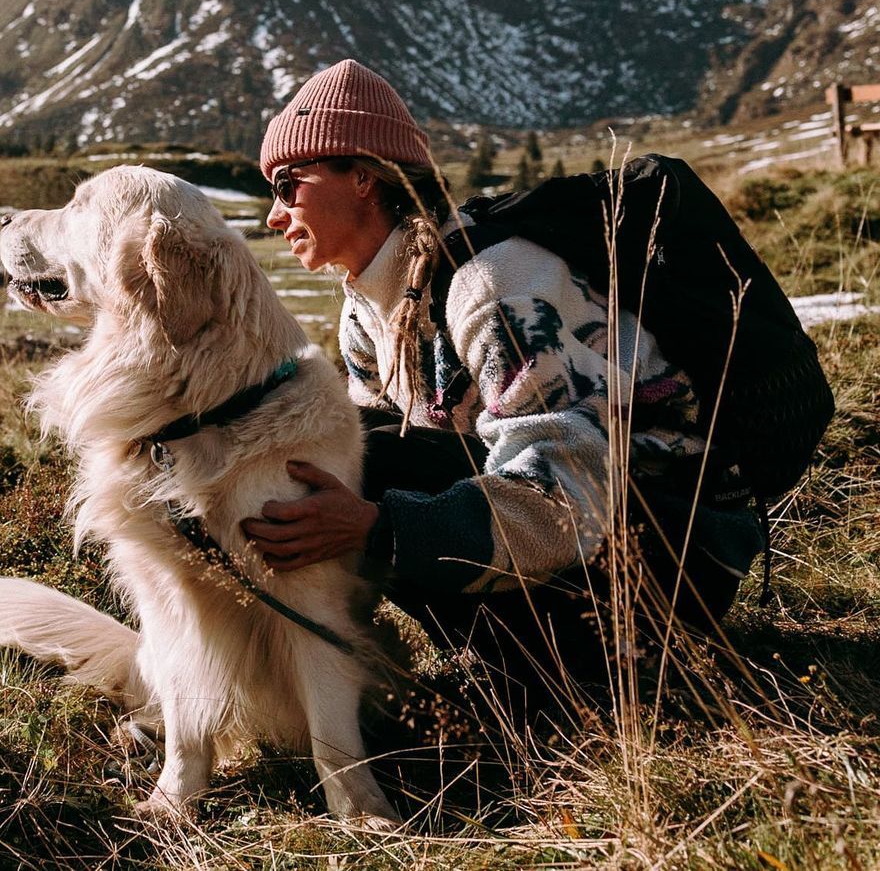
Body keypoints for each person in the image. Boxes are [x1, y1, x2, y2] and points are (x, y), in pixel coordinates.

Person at [238, 59, 762, 702]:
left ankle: (577, 679)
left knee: (367, 471)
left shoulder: (489, 286)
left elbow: (569, 499)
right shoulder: (366, 309)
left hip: (671, 559)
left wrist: (380, 529)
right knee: (343, 452)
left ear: (365, 177)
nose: (274, 214)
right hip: (582, 545)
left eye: (289, 185)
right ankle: (440, 668)